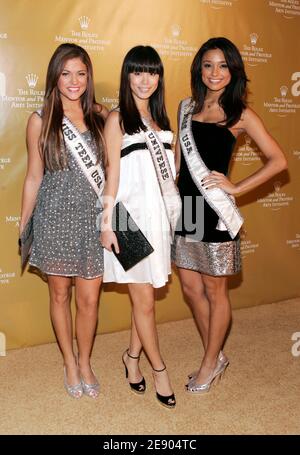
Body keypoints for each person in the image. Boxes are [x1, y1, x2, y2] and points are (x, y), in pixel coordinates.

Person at [173, 37, 287, 394]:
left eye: (223, 66)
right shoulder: (186, 107)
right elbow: (178, 160)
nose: (215, 73)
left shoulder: (241, 115)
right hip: (188, 208)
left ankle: (210, 362)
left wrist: (236, 188)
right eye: (208, 65)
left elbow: (279, 160)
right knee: (191, 288)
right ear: (199, 69)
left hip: (215, 211)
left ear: (234, 70)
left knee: (214, 290)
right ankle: (217, 352)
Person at [20, 43, 108, 399]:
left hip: (93, 221)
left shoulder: (102, 116)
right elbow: (32, 177)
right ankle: (69, 361)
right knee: (60, 294)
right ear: (55, 77)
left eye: (81, 73)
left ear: (89, 77)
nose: (74, 81)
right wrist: (25, 222)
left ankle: (85, 360)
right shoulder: (39, 120)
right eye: (66, 73)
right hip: (54, 217)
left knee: (89, 300)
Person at [100, 45, 181, 409]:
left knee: (145, 297)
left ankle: (131, 359)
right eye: (137, 71)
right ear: (127, 76)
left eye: (152, 71)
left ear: (159, 77)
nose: (145, 79)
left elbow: (171, 180)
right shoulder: (117, 119)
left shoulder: (163, 124)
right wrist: (107, 223)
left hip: (159, 221)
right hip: (127, 221)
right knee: (145, 302)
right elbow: (111, 178)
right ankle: (159, 369)